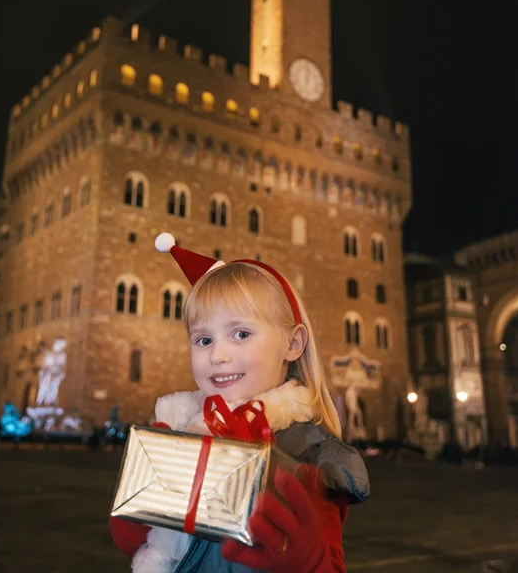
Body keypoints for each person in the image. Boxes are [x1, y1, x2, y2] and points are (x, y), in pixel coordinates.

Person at [109, 233, 370, 572]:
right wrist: (140, 507)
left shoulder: (314, 459)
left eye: (241, 334)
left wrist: (308, 561)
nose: (218, 355)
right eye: (204, 339)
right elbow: (134, 543)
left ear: (293, 344)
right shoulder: (183, 432)